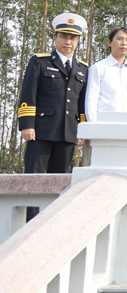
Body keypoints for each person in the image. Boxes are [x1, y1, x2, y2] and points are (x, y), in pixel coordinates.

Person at [18, 13, 88, 219]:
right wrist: (26, 125)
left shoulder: (83, 69)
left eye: (73, 38)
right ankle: (31, 221)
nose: (68, 41)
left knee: (59, 180)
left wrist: (81, 129)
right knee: (35, 179)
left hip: (67, 133)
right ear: (55, 38)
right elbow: (28, 93)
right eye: (64, 36)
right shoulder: (39, 62)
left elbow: (81, 103)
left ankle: (51, 220)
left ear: (77, 41)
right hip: (40, 131)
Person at [85, 26, 127, 122]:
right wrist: (92, 126)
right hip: (104, 125)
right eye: (120, 39)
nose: (124, 43)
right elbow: (91, 101)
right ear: (109, 42)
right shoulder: (98, 68)